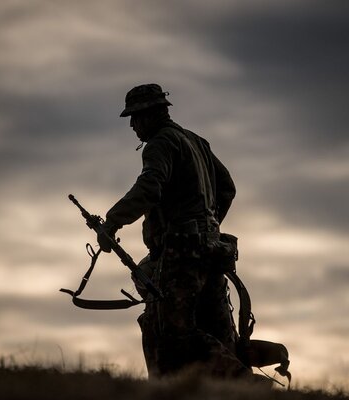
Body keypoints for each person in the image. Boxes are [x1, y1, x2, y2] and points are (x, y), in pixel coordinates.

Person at [97, 83, 250, 378]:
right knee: (216, 330)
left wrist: (112, 221)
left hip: (182, 253)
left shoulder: (160, 143)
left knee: (173, 332)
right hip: (212, 250)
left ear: (152, 114)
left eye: (136, 117)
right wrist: (209, 227)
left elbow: (149, 187)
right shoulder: (196, 141)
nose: (132, 125)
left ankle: (244, 382)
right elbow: (227, 188)